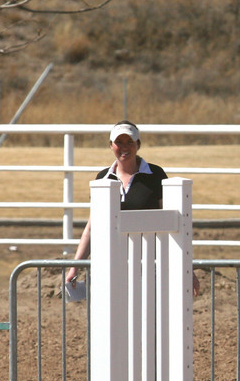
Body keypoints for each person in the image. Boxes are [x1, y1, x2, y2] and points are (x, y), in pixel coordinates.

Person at [65, 120, 198, 295]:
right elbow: (91, 228)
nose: (124, 147)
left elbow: (173, 224)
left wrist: (186, 267)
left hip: (151, 262)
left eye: (130, 142)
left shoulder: (155, 175)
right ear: (111, 145)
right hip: (112, 262)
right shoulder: (102, 179)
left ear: (138, 145)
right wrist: (75, 267)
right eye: (119, 142)